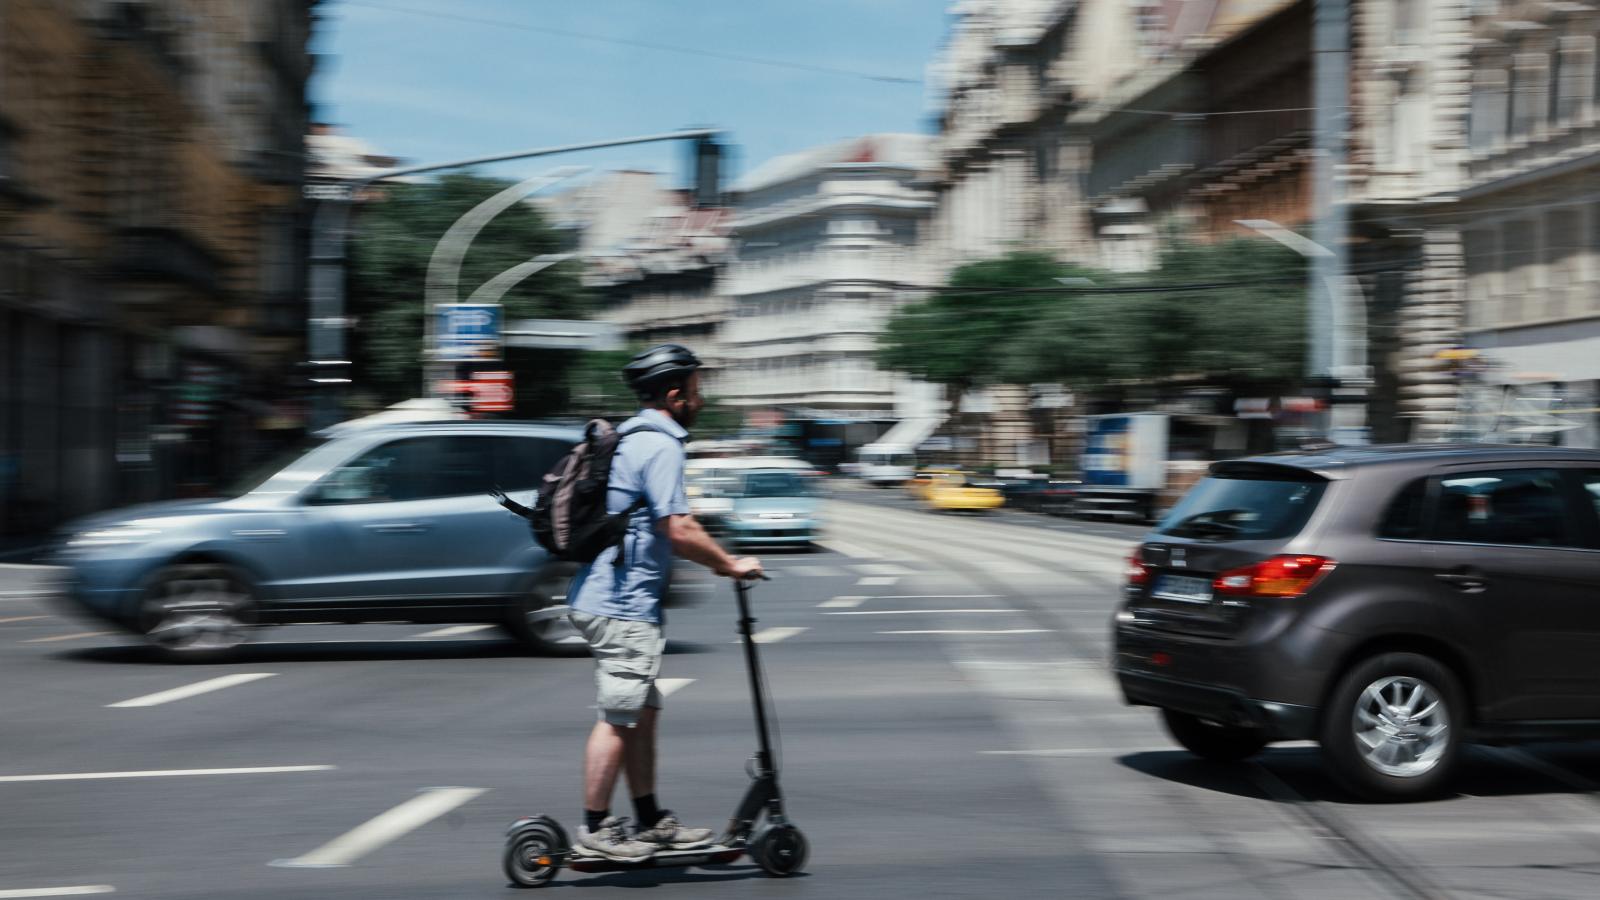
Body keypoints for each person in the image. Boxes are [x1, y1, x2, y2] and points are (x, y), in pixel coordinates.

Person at [566, 344, 764, 861]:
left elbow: (673, 524)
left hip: (614, 598)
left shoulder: (635, 435)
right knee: (620, 715)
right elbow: (678, 528)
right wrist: (730, 564)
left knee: (642, 711)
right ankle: (595, 828)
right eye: (697, 389)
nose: (701, 398)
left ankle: (650, 819)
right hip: (620, 605)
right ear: (675, 395)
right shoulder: (661, 445)